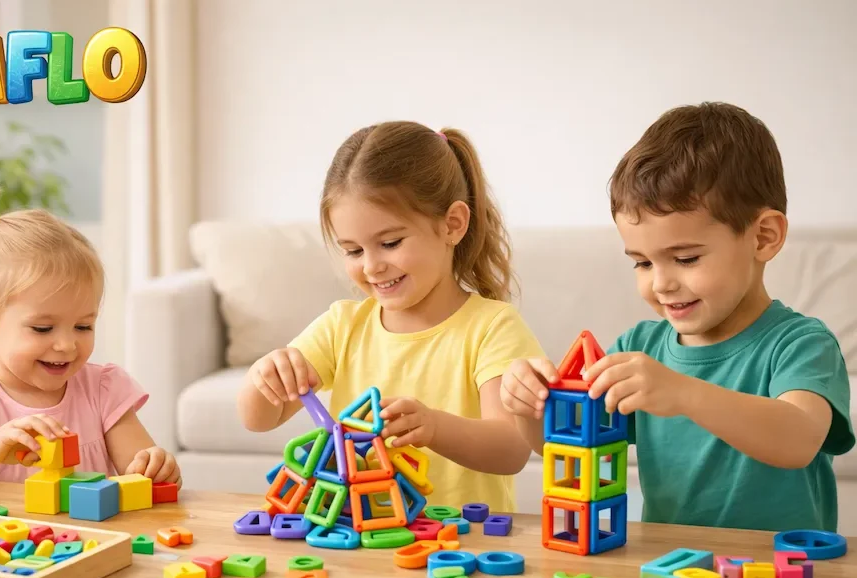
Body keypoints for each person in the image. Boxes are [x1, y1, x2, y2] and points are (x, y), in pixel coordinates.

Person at [502, 102, 853, 531]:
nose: (661, 284)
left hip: (782, 576)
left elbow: (798, 439)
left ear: (763, 237)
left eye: (685, 258)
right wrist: (530, 407)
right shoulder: (639, 348)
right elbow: (569, 442)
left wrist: (684, 393)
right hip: (671, 572)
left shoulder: (800, 343)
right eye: (642, 263)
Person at [237, 121, 544, 512]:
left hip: (462, 549)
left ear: (452, 225)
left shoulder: (492, 328)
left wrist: (434, 427)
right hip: (360, 538)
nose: (371, 267)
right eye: (353, 251)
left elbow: (511, 449)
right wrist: (266, 375)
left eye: (390, 243)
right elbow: (257, 418)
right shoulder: (342, 326)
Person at [0, 175, 181, 485]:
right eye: (43, 328)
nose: (67, 345)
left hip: (91, 535)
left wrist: (156, 467)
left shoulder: (103, 390)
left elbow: (143, 476)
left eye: (84, 325)